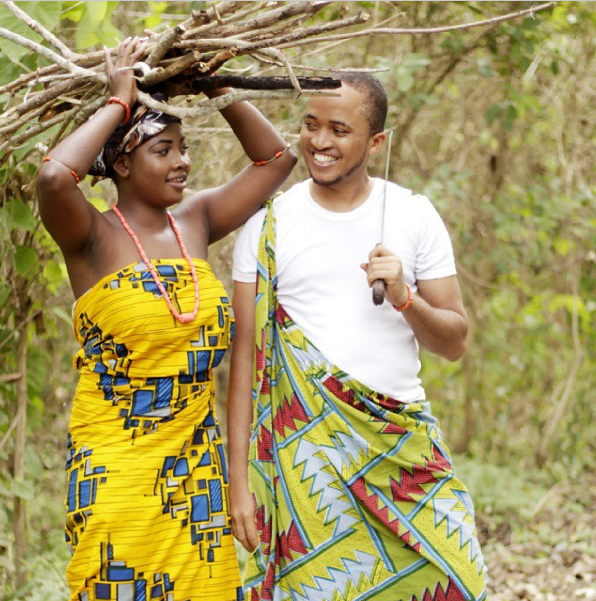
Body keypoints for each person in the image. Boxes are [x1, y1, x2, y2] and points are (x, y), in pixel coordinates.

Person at [36, 37, 296, 601]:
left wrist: (214, 86)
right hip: (114, 467)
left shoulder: (196, 220)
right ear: (122, 162)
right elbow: (55, 178)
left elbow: (277, 160)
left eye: (183, 148)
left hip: (194, 468)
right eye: (164, 150)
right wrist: (119, 102)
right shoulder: (91, 237)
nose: (182, 162)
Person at [228, 72, 488, 601]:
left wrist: (405, 297)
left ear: (375, 142)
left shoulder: (414, 215)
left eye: (339, 130)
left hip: (402, 450)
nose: (320, 142)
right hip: (307, 466)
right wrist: (238, 484)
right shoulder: (267, 227)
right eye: (310, 125)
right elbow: (244, 366)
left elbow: (455, 342)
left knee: (458, 582)